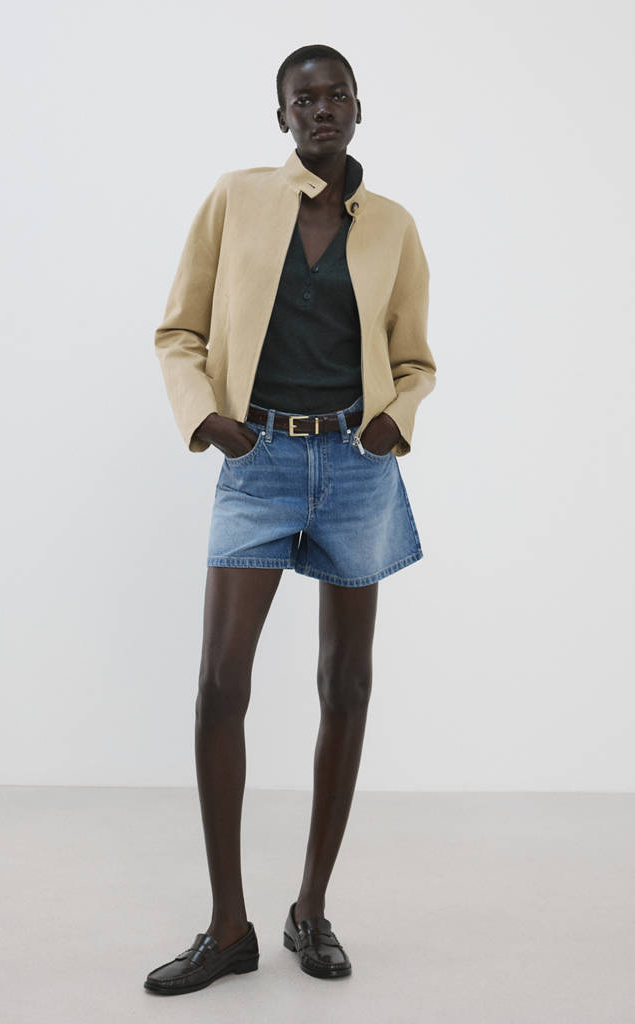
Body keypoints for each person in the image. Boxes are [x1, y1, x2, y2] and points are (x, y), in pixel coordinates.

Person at [144, 43, 437, 996]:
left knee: (345, 684)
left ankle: (310, 909)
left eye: (335, 94)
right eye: (302, 98)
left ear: (358, 108)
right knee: (219, 684)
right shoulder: (235, 200)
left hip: (356, 467)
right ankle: (228, 928)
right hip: (257, 461)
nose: (321, 109)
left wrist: (395, 416)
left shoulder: (392, 226)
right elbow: (178, 330)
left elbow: (414, 358)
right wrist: (207, 419)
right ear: (281, 117)